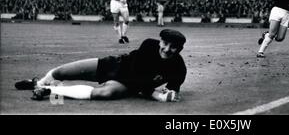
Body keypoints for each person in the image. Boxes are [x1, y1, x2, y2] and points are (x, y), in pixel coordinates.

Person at [14, 29, 187, 102]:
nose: (167, 49)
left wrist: (169, 94)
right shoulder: (149, 45)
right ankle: (39, 82)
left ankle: (50, 91)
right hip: (115, 65)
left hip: (128, 84)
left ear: (180, 49)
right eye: (165, 43)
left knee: (105, 93)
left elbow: (173, 89)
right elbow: (138, 75)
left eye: (174, 47)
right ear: (160, 41)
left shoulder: (179, 68)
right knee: (61, 72)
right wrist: (156, 95)